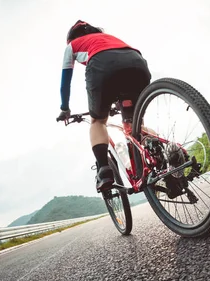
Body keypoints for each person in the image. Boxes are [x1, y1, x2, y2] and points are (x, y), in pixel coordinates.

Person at [56, 20, 151, 192]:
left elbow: (65, 83)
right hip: (137, 63)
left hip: (103, 67)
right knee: (135, 125)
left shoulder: (72, 46)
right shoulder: (107, 37)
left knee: (98, 121)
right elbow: (120, 67)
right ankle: (162, 154)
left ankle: (104, 171)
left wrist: (65, 109)